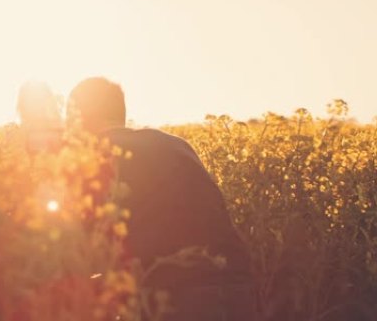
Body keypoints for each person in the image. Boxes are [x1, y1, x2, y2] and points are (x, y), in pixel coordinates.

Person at [67, 77, 257, 321]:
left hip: (170, 298)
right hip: (235, 288)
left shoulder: (91, 155)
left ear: (78, 118)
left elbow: (76, 246)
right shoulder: (178, 146)